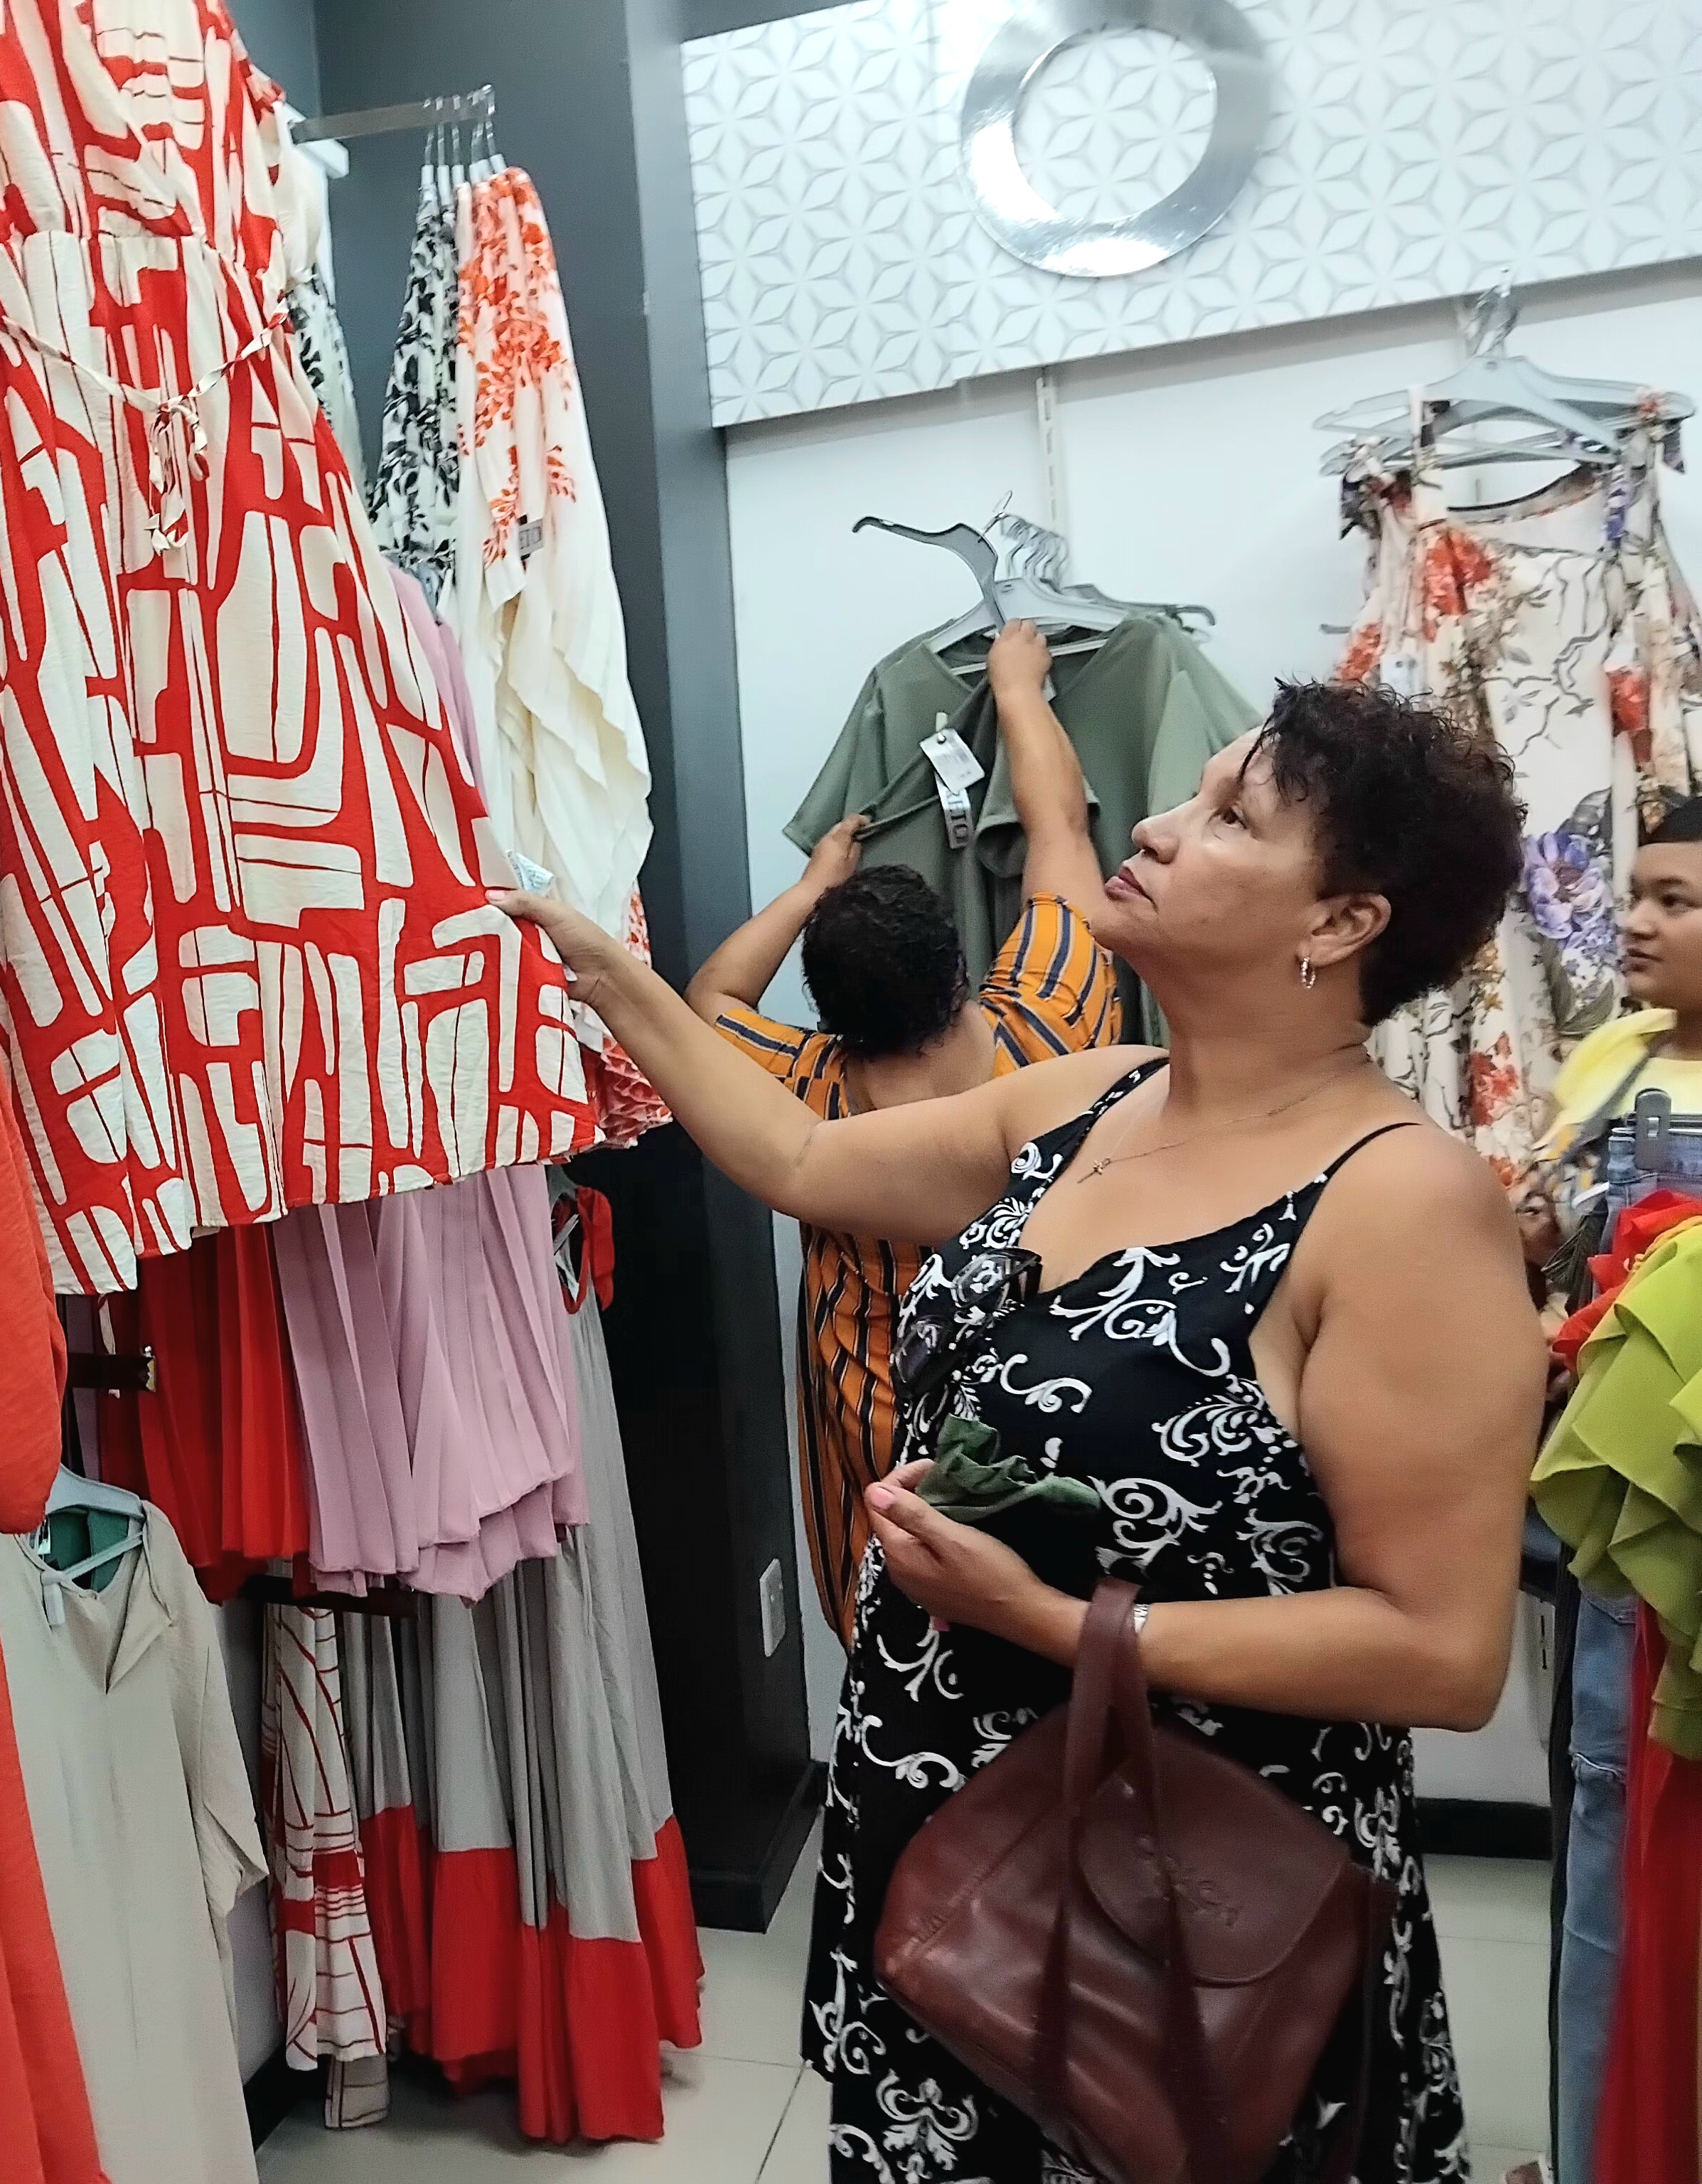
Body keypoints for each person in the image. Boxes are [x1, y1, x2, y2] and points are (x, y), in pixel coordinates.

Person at [502, 678, 1537, 2180]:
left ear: (1341, 922)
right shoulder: (1089, 1099)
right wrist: (605, 969)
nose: (1157, 829)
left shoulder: (1400, 1203)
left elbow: (1440, 1651)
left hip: (1184, 1883)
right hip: (944, 1815)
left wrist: (1054, 1625)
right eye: (1188, 795)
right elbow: (799, 1156)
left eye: (1228, 818)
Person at [690, 619, 1121, 1645]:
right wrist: (1018, 690)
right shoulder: (1055, 1031)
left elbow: (709, 1002)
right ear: (961, 966)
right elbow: (1061, 835)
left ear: (828, 1015)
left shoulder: (801, 1092)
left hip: (885, 1461)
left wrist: (810, 889)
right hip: (1055, 1435)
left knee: (903, 1661)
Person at [1516, 795, 1702, 2184]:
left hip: (1681, 1494)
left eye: (1673, 902)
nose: (1632, 923)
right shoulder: (1608, 1058)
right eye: (1633, 894)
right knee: (1593, 1823)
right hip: (1596, 1496)